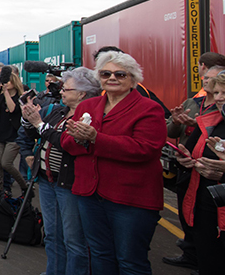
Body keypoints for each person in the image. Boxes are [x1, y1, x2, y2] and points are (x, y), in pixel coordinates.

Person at [60, 50, 166, 274]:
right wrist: (82, 139)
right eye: (106, 73)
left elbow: (145, 149)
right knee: (99, 255)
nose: (112, 78)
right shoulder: (86, 107)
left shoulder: (149, 109)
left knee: (130, 261)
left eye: (120, 74)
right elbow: (67, 143)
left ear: (133, 79)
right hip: (90, 195)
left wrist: (95, 139)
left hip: (130, 199)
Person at [22, 67, 99, 275]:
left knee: (73, 239)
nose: (61, 92)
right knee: (53, 235)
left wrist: (38, 123)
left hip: (69, 183)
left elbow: (65, 143)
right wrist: (28, 118)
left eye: (66, 89)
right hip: (48, 181)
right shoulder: (59, 111)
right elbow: (36, 133)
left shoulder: (89, 116)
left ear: (82, 93)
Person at [164, 65, 225, 270]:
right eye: (217, 92)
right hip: (206, 201)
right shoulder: (210, 120)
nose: (218, 97)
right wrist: (188, 160)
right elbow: (192, 150)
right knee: (209, 257)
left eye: (224, 92)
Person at [0, 66, 28, 195]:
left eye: (8, 82)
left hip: (13, 135)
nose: (5, 84)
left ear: (14, 82)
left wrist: (6, 93)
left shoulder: (21, 97)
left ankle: (24, 186)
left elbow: (13, 109)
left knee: (6, 163)